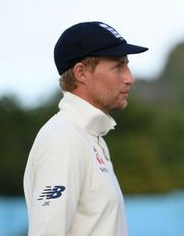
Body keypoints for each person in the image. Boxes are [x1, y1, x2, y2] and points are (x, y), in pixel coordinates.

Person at [23, 21, 148, 236]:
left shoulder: (89, 137)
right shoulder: (64, 138)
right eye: (118, 66)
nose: (130, 78)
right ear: (81, 72)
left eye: (127, 65)